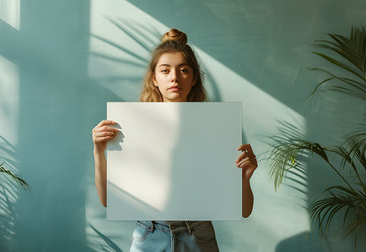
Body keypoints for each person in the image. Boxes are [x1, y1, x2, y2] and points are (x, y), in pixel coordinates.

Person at [92, 28, 258, 252]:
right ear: (154, 78)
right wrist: (99, 152)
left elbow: (243, 210)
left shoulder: (217, 129)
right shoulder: (132, 129)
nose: (174, 78)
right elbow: (108, 201)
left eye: (183, 70)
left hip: (199, 238)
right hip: (148, 237)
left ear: (194, 78)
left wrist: (244, 178)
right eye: (165, 70)